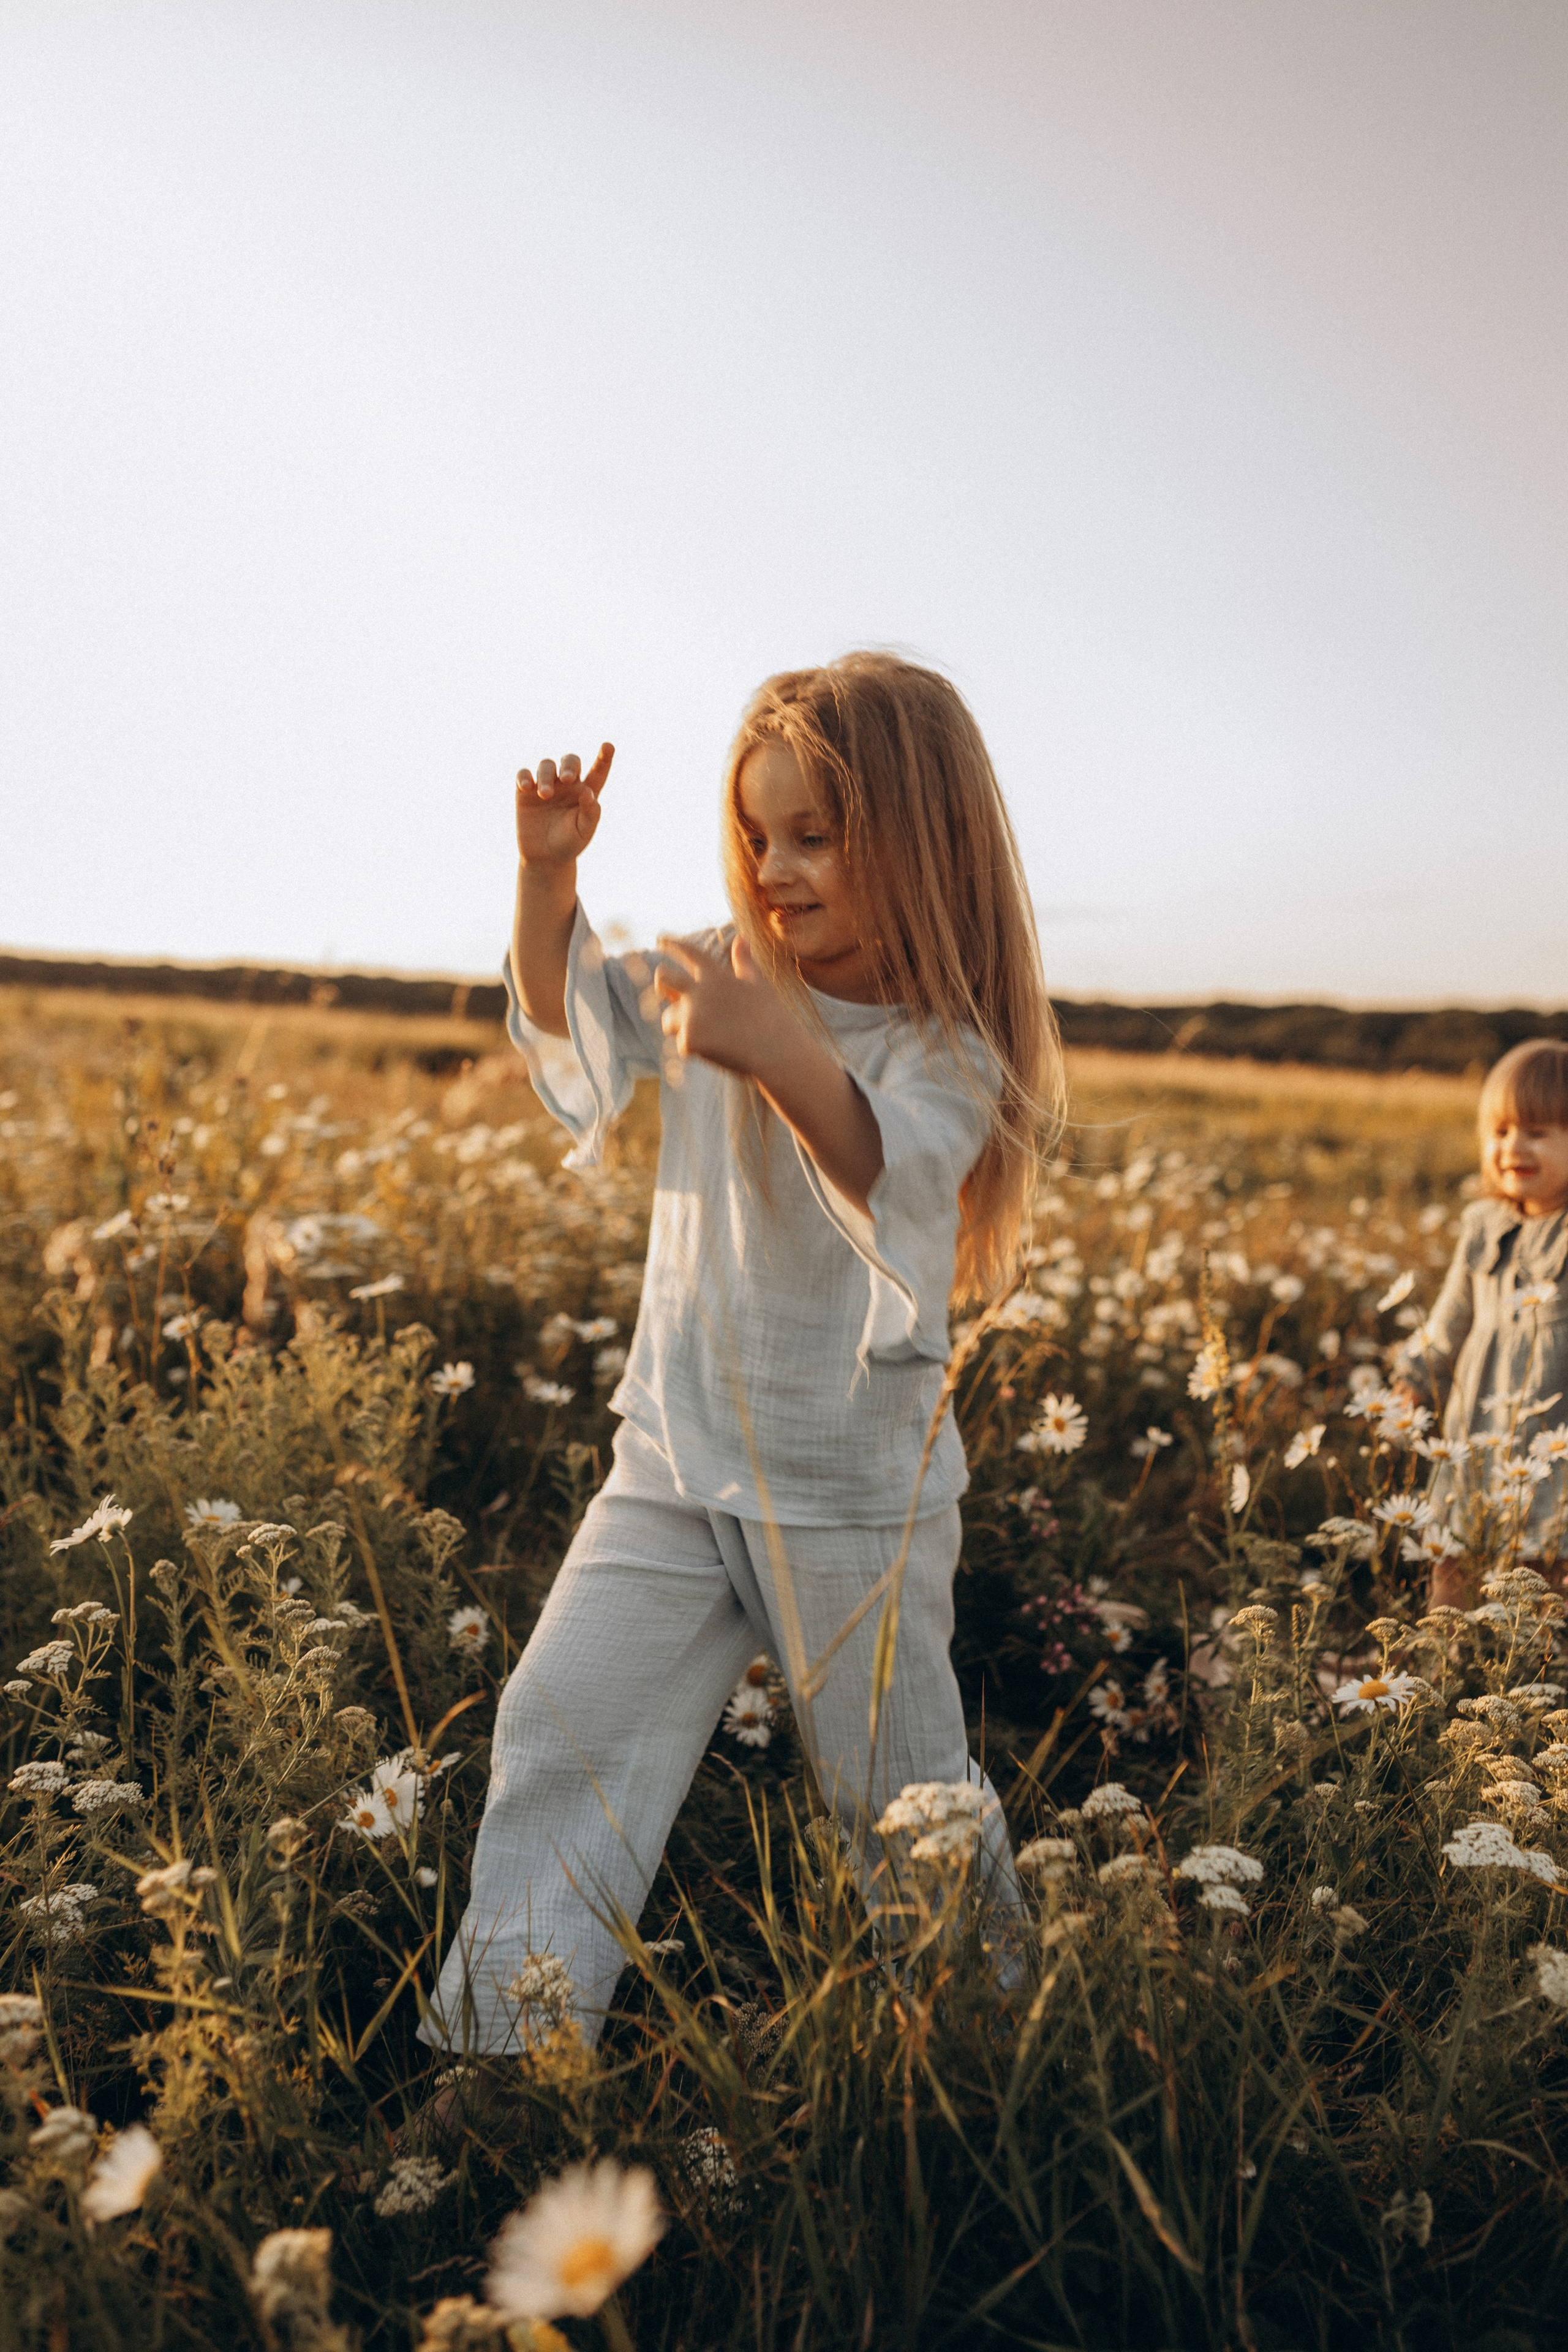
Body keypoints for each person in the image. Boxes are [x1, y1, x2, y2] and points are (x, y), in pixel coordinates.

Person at [421, 652, 1060, 2054]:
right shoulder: (719, 967)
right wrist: (546, 885)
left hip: (847, 1495)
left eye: (814, 836)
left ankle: (987, 2056)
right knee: (558, 1724)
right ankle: (508, 2049)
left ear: (922, 837)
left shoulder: (947, 1044)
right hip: (671, 1454)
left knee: (901, 1799)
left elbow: (882, 1163)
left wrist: (775, 1047)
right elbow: (572, 1022)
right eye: (756, 833)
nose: (773, 867)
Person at [1395, 1038, 1568, 1608]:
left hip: (1552, 1445)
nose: (1513, 1146)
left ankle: (1528, 1689)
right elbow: (1451, 1317)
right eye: (1500, 1132)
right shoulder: (1482, 1225)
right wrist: (1417, 1376)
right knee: (1453, 1564)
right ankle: (1444, 1677)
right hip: (1473, 1439)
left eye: (1538, 1132)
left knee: (1539, 1582)